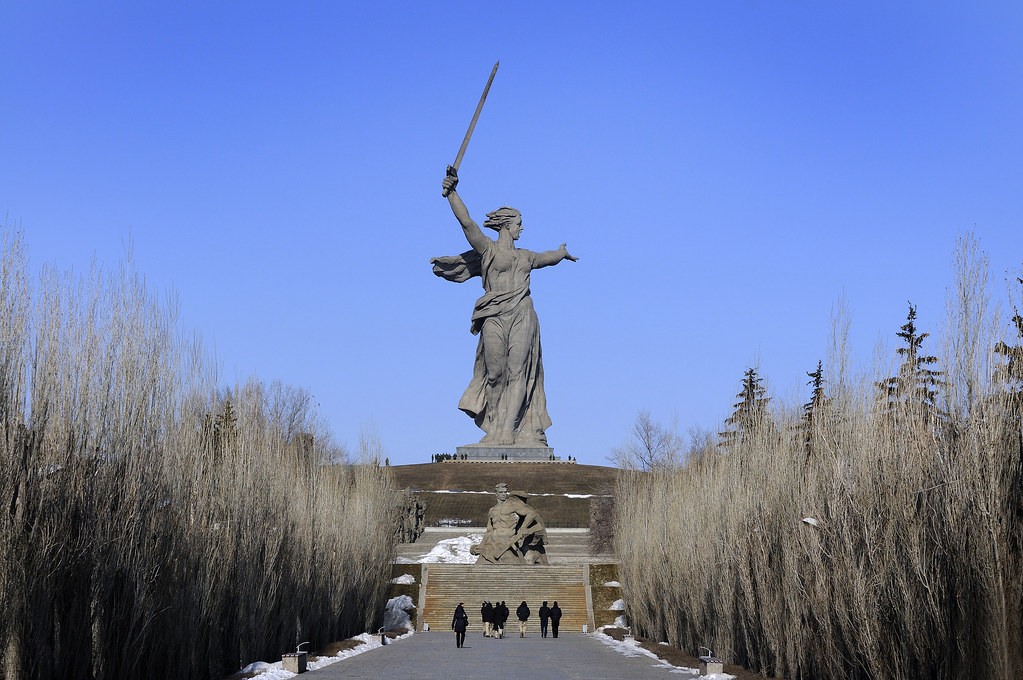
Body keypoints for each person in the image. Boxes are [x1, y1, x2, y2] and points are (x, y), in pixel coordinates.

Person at [433, 168, 578, 446]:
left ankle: (509, 430)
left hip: (522, 313)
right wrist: (452, 193)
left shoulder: (526, 257)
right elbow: (467, 223)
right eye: (519, 223)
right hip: (493, 315)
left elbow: (547, 257)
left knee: (517, 371)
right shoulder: (488, 249)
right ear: (507, 225)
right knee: (495, 372)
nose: (522, 228)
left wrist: (561, 253)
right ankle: (496, 425)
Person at [470, 483, 549, 564]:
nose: (503, 494)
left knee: (513, 566)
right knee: (479, 566)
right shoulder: (492, 510)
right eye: (501, 492)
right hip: (492, 543)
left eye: (505, 492)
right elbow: (489, 531)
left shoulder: (513, 505)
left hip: (507, 542)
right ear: (496, 494)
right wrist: (481, 545)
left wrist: (524, 527)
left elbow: (531, 514)